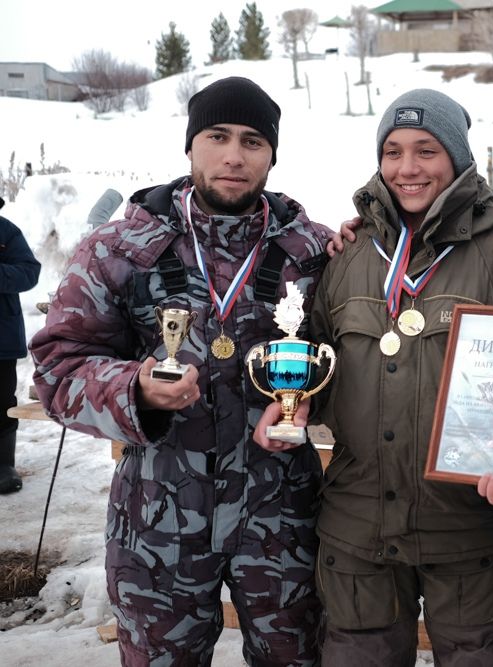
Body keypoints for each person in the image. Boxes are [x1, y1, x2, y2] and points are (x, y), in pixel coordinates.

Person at [30, 76, 331, 666]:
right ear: (190, 145)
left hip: (282, 522)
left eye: (252, 141)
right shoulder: (119, 249)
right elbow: (56, 368)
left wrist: (311, 401)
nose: (233, 155)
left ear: (272, 154)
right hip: (156, 523)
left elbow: (351, 359)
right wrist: (131, 390)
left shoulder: (313, 253)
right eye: (217, 136)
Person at [255, 89, 493, 666]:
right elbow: (320, 371)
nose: (408, 168)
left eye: (426, 151)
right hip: (358, 528)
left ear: (458, 159)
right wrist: (296, 406)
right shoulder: (349, 256)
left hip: (467, 526)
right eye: (393, 151)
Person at [0, 196, 41, 494]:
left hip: (0, 340)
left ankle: (3, 464)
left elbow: (29, 272)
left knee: (1, 402)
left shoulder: (6, 232)